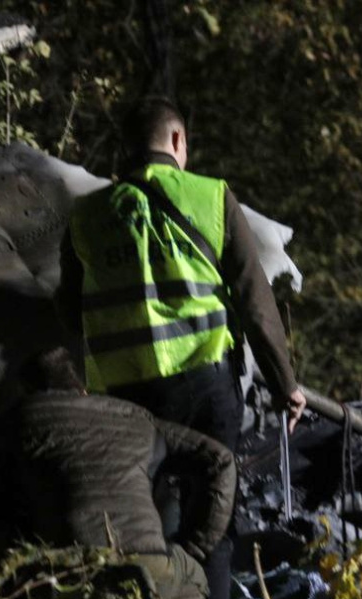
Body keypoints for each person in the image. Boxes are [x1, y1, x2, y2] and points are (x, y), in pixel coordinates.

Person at [57, 96, 306, 451]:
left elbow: (71, 310)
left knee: (142, 486)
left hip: (124, 393)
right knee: (213, 482)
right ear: (177, 140)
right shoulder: (211, 196)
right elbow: (254, 299)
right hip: (205, 385)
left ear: (126, 147)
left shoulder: (85, 215)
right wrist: (284, 383)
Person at [17, 348, 236, 599]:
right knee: (191, 584)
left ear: (27, 392)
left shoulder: (17, 421)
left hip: (70, 577)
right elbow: (220, 460)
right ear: (83, 389)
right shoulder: (135, 416)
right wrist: (193, 547)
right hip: (151, 573)